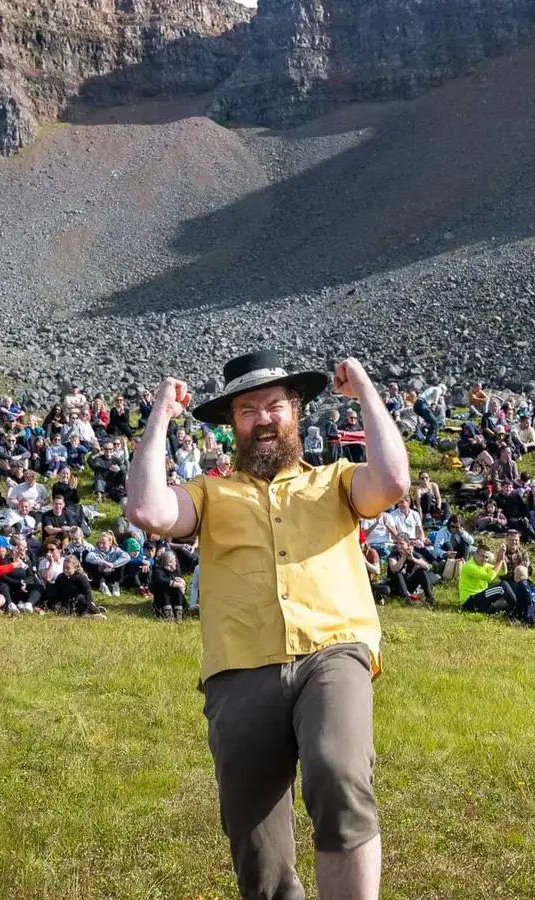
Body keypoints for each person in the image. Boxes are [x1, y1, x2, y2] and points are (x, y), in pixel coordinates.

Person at [124, 352, 405, 899]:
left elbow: (392, 480)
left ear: (296, 411)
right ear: (233, 425)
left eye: (275, 404)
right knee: (259, 853)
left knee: (338, 771)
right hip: (239, 670)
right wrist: (160, 412)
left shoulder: (337, 482)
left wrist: (366, 389)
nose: (264, 418)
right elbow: (148, 511)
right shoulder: (210, 493)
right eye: (248, 409)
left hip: (333, 649)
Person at [148, 548, 189, 621]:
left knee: (178, 589)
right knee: (164, 588)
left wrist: (182, 582)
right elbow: (161, 580)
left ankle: (179, 613)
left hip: (175, 602)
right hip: (163, 602)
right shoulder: (158, 571)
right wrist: (175, 584)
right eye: (174, 561)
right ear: (169, 562)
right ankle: (167, 613)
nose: (176, 563)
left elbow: (183, 586)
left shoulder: (175, 572)